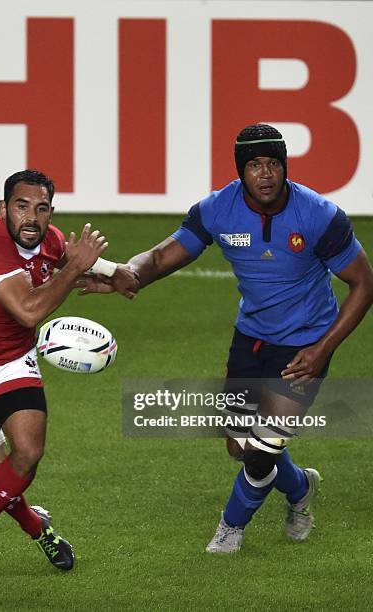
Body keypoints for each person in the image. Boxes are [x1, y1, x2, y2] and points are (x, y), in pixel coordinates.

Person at [81, 124, 373, 552]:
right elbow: (163, 255)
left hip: (304, 346)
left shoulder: (319, 216)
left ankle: (229, 529)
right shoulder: (218, 209)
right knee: (239, 446)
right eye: (255, 165)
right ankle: (299, 488)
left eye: (274, 163)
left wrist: (321, 350)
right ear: (241, 171)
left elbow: (363, 283)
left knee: (261, 451)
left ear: (285, 166)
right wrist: (131, 273)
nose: (267, 174)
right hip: (251, 339)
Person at [0, 169, 114, 568]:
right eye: (21, 206)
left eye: (42, 208)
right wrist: (74, 270)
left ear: (51, 212)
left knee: (28, 454)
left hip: (14, 360)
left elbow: (69, 258)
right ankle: (38, 529)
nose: (31, 217)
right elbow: (29, 309)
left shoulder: (46, 238)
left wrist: (115, 275)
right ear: (3, 209)